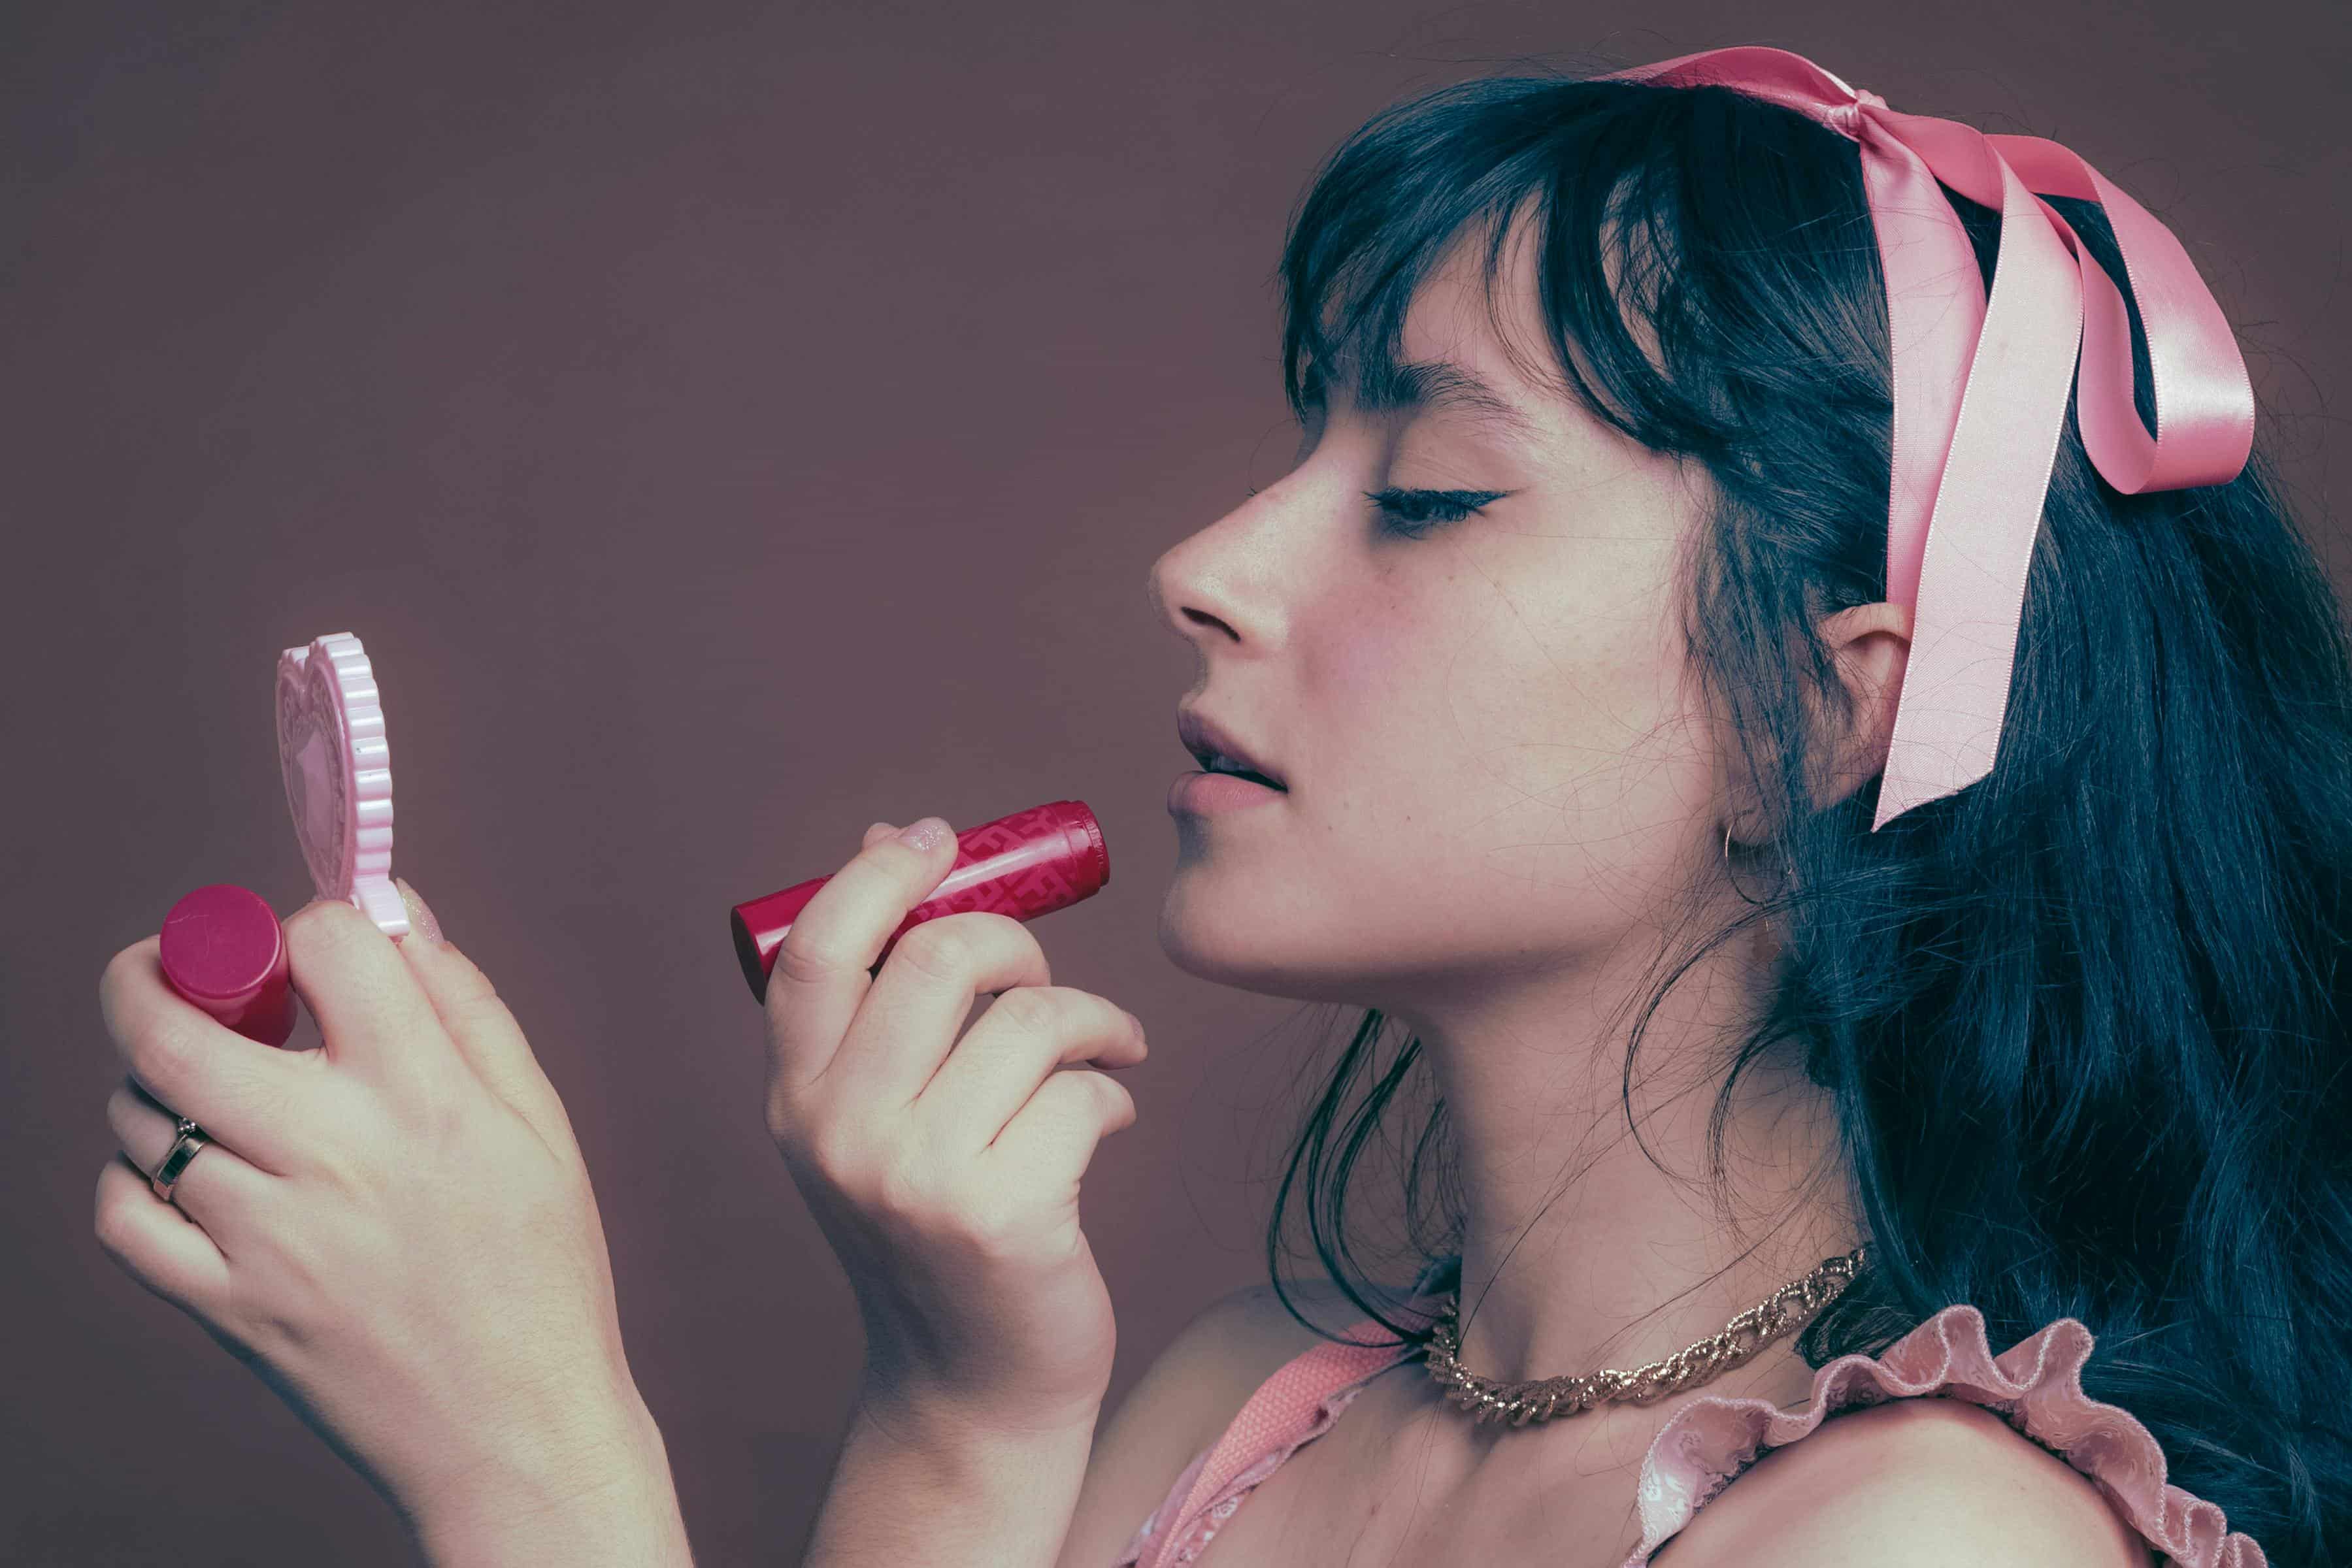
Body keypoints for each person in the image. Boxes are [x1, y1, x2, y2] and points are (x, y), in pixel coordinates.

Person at [93, 45, 2340, 1568]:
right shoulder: (1238, 1416)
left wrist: (530, 1461)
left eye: (1430, 490)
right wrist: (960, 1406)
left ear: (1828, 722)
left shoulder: (1926, 1536)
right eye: (1311, 447)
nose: (1210, 562)